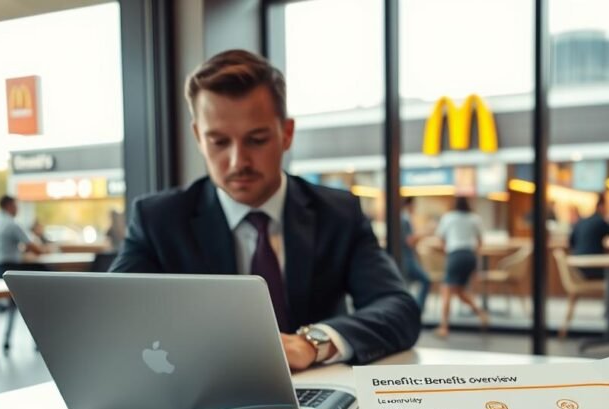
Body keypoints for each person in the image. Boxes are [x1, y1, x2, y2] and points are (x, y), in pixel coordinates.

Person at [110, 50, 420, 370]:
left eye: (256, 140)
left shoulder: (339, 214)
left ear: (287, 134)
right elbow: (109, 315)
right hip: (199, 388)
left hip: (314, 386)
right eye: (219, 142)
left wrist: (313, 343)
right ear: (198, 137)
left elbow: (399, 309)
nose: (238, 162)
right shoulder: (158, 220)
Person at [569, 193, 609, 313]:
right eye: (606, 207)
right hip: (591, 267)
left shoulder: (581, 221)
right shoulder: (601, 222)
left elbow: (571, 242)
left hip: (576, 269)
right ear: (601, 206)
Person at [434, 197, 488, 337]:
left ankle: (443, 327)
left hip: (455, 255)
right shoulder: (475, 218)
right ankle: (481, 313)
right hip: (470, 256)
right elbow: (480, 242)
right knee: (459, 291)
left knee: (446, 290)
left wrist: (448, 252)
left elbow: (440, 240)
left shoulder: (448, 217)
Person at [0, 195, 47, 277]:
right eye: (16, 206)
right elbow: (32, 247)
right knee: (44, 272)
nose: (18, 209)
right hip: (7, 269)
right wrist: (45, 251)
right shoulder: (12, 224)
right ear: (10, 206)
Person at [400, 197, 430, 308]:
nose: (415, 208)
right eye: (414, 205)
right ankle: (417, 308)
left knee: (406, 285)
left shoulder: (403, 218)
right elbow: (409, 241)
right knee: (425, 280)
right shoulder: (404, 219)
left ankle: (410, 308)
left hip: (406, 257)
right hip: (407, 258)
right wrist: (424, 233)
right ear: (409, 205)